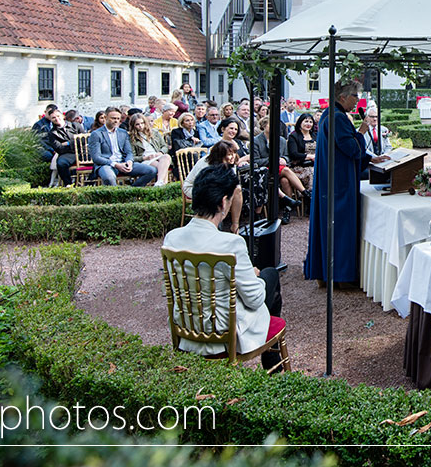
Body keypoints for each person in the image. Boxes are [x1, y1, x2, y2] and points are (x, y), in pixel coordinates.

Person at [162, 164, 285, 372]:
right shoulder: (231, 244)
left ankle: (271, 360)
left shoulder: (172, 238)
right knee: (269, 275)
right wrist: (255, 278)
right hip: (224, 332)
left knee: (262, 278)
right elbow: (254, 299)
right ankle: (272, 363)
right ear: (223, 202)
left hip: (187, 326)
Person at [304, 80, 389, 287]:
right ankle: (341, 276)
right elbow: (350, 148)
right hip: (339, 182)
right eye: (355, 96)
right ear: (342, 97)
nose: (357, 101)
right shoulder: (339, 118)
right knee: (340, 228)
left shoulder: (328, 114)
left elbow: (342, 148)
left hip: (330, 178)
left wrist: (369, 158)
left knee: (327, 226)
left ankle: (325, 273)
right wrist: (361, 132)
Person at [183, 141, 243, 232]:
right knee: (219, 193)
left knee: (237, 190)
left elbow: (232, 182)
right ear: (220, 155)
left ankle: (235, 225)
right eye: (229, 154)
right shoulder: (206, 164)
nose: (232, 156)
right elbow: (203, 184)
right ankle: (216, 224)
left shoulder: (230, 162)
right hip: (195, 187)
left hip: (212, 187)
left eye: (234, 153)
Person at [88, 107, 157, 186]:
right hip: (107, 164)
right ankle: (116, 196)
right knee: (109, 177)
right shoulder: (96, 134)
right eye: (113, 118)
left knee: (152, 171)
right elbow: (96, 158)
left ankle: (131, 193)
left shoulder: (123, 133)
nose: (116, 121)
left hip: (123, 162)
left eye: (118, 118)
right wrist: (115, 164)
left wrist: (129, 161)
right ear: (106, 117)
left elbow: (129, 152)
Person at [127, 112, 172, 185]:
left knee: (166, 156)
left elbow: (165, 146)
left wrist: (160, 152)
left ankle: (159, 182)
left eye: (142, 123)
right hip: (145, 159)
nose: (140, 126)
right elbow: (132, 157)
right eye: (137, 124)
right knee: (161, 167)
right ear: (133, 126)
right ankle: (163, 184)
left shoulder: (154, 132)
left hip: (158, 155)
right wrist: (144, 158)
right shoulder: (131, 138)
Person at [286, 112, 316, 194]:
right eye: (306, 121)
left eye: (310, 122)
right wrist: (309, 156)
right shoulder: (294, 136)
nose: (308, 124)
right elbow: (294, 154)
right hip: (300, 167)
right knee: (313, 172)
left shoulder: (315, 136)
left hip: (315, 164)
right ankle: (310, 196)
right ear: (300, 123)